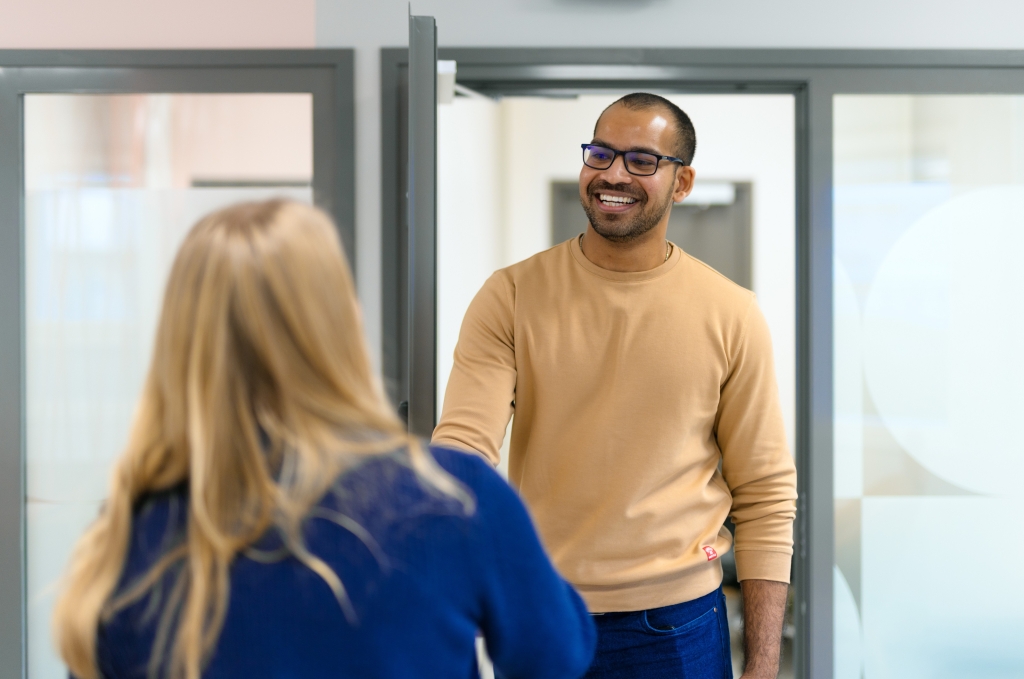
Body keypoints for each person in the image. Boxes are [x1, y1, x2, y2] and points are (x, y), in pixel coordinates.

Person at [52, 200, 596, 679]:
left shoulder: (124, 535)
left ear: (181, 339)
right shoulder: (454, 498)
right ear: (342, 323)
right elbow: (558, 655)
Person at [432, 93, 798, 679]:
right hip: (545, 616)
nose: (614, 174)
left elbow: (766, 494)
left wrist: (763, 665)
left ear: (682, 183)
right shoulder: (512, 295)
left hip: (678, 625)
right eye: (600, 153)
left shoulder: (732, 314)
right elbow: (462, 452)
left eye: (642, 160)